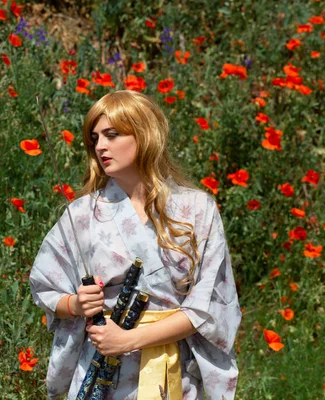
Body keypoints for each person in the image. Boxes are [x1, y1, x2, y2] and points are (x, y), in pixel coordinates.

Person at [29, 90, 241, 400]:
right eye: (95, 138)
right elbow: (45, 288)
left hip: (172, 373)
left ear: (143, 134)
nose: (101, 146)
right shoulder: (82, 214)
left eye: (112, 134)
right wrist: (77, 304)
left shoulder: (197, 210)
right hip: (101, 373)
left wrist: (129, 339)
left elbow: (207, 307)